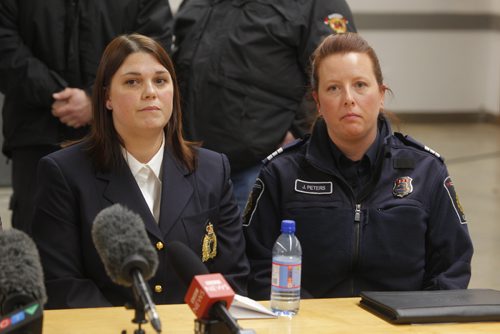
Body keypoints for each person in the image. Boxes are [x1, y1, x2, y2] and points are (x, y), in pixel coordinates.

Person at [243, 33, 474, 300]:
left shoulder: (426, 171)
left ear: (381, 95)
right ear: (317, 103)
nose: (348, 99)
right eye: (333, 88)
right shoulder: (281, 173)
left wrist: (415, 320)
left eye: (360, 85)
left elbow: (452, 267)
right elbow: (257, 267)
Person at [31, 34, 249, 309]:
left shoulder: (212, 169)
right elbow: (63, 285)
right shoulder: (63, 173)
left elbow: (232, 276)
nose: (150, 92)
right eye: (132, 82)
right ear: (107, 97)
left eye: (160, 80)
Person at [0, 0, 173, 234]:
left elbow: (153, 45)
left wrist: (94, 99)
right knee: (39, 246)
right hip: (37, 137)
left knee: (124, 244)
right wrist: (54, 95)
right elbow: (5, 42)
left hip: (119, 140)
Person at [173, 0, 356, 210]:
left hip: (259, 168)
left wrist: (298, 134)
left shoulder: (315, 4)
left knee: (255, 242)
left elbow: (339, 74)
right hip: (190, 167)